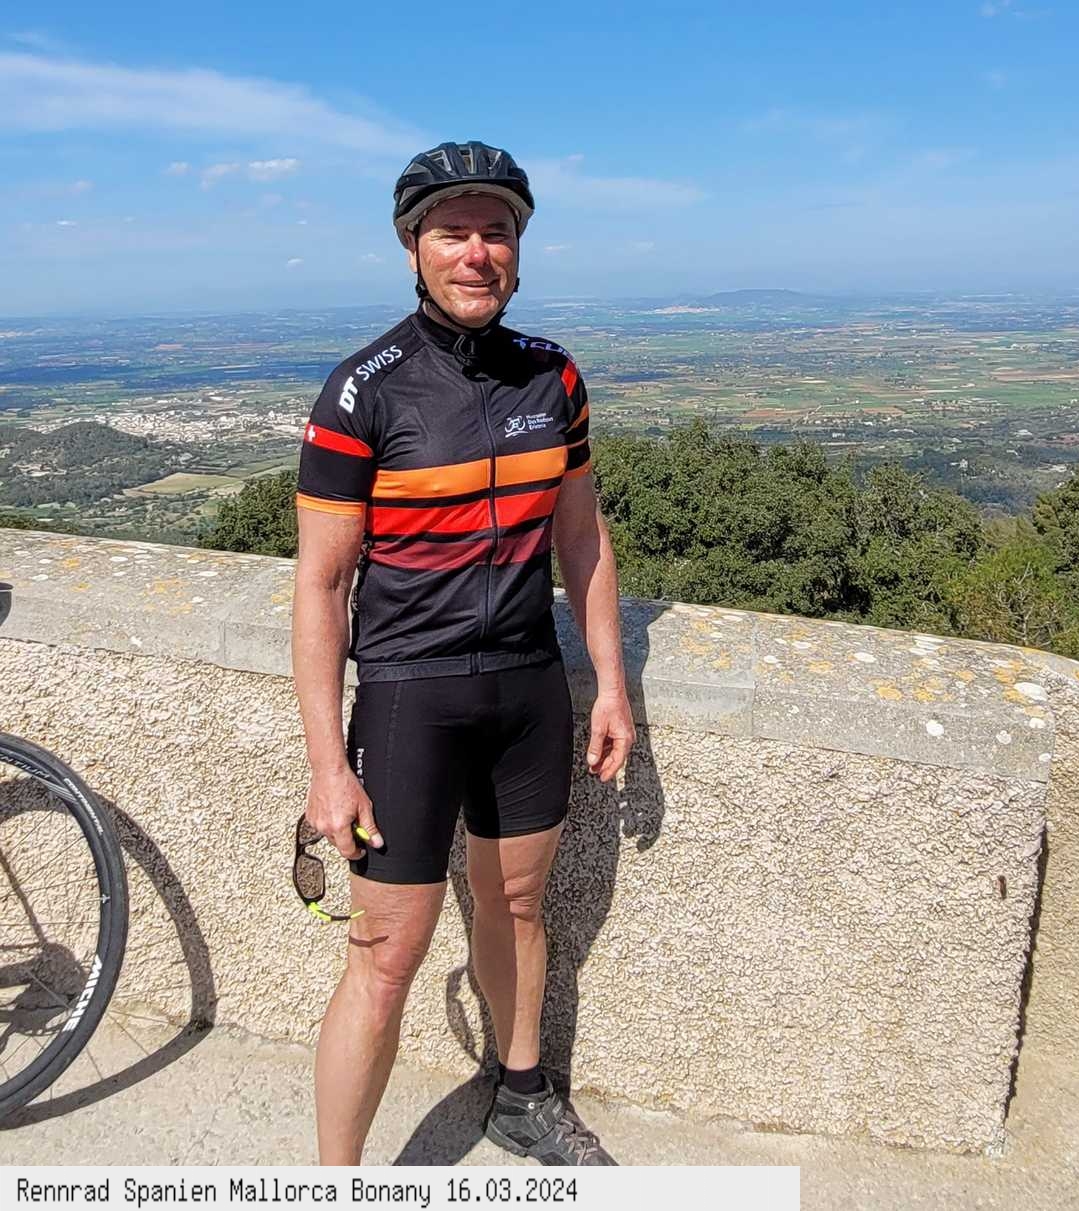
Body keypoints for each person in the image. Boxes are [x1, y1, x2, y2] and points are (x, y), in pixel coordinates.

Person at [291, 140, 635, 1166]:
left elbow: (584, 537)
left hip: (527, 687)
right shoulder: (362, 392)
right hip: (408, 699)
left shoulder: (553, 376)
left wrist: (612, 683)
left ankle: (521, 1094)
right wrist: (327, 763)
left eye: (497, 231)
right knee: (385, 951)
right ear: (413, 247)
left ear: (518, 250)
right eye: (453, 232)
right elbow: (320, 586)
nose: (477, 252)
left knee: (517, 903)